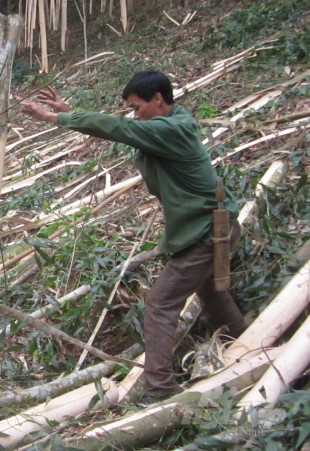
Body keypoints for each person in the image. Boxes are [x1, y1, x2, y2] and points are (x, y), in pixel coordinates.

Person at [18, 71, 248, 401]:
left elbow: (122, 129)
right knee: (209, 290)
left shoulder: (173, 129)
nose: (135, 115)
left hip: (209, 233)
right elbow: (122, 129)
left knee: (159, 303)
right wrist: (70, 112)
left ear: (158, 99)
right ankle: (245, 341)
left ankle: (160, 387)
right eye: (131, 109)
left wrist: (57, 117)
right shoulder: (169, 124)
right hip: (209, 229)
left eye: (137, 107)